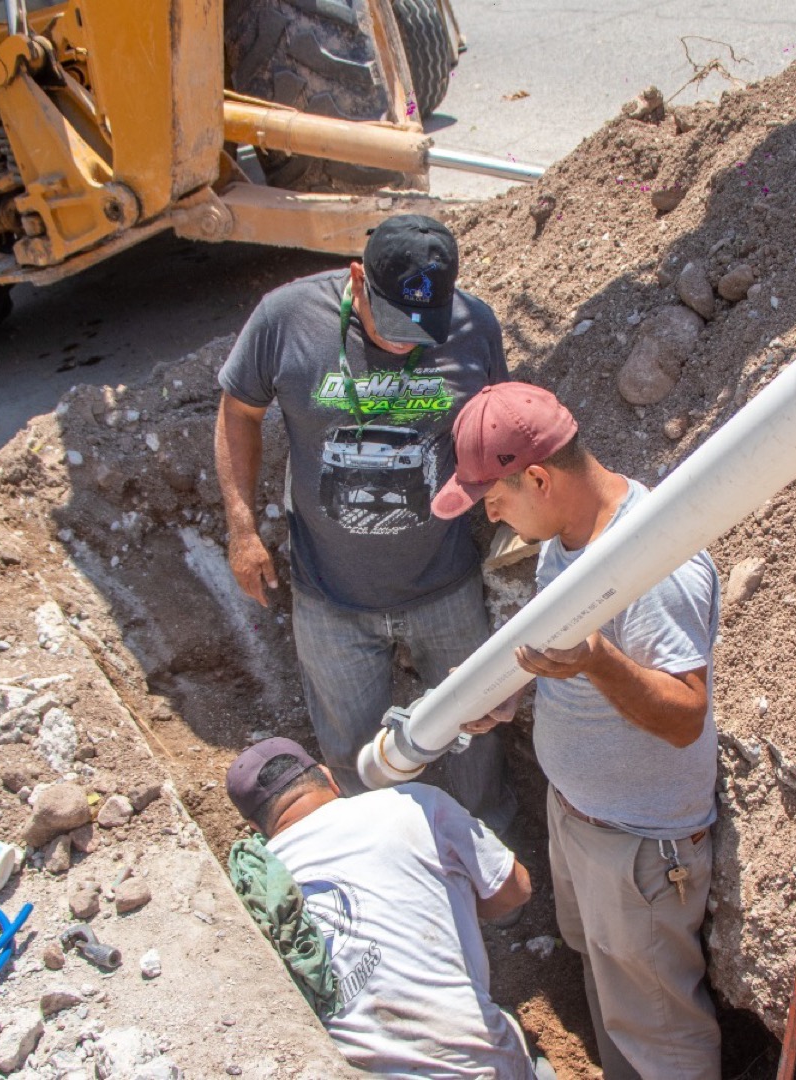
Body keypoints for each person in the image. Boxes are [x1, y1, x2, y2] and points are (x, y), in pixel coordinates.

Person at [431, 383, 723, 1079]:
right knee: (613, 990)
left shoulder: (654, 564)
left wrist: (596, 661)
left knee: (661, 1031)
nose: (489, 513)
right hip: (582, 823)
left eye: (494, 496)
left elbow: (685, 717)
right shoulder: (565, 535)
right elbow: (569, 652)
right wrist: (507, 700)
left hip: (639, 851)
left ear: (538, 476)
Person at [215, 214, 514, 832]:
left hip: (446, 583)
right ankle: (383, 857)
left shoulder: (473, 326)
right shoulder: (286, 319)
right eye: (394, 326)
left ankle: (485, 853)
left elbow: (498, 427)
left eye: (422, 329)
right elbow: (238, 410)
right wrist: (242, 530)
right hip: (332, 597)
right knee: (356, 757)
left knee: (476, 738)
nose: (407, 343)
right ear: (358, 280)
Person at [225, 737, 539, 1079]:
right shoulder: (416, 804)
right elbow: (516, 889)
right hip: (478, 1065)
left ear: (256, 828)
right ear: (329, 778)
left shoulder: (262, 892)